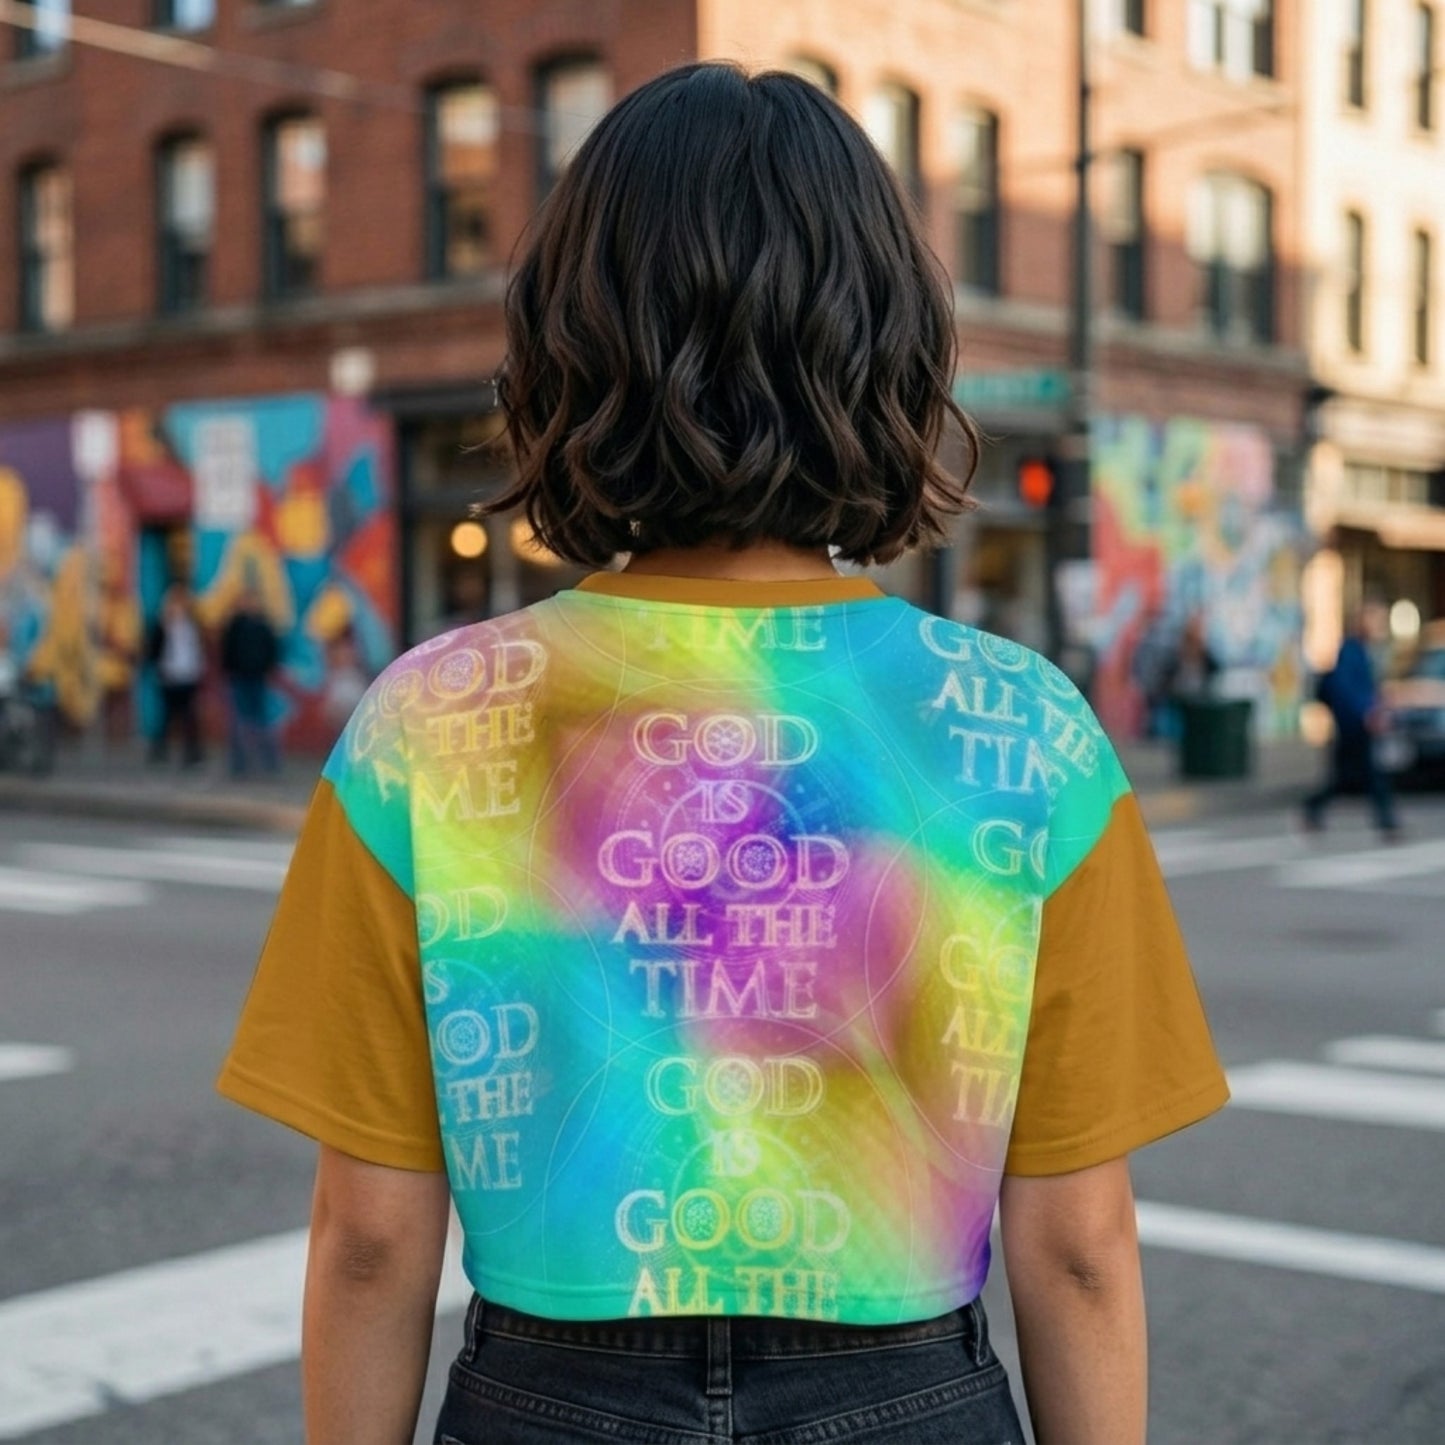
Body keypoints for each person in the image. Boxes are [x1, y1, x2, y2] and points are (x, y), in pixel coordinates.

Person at [218, 65, 1228, 1445]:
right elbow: (1077, 1244)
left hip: (544, 1396)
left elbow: (372, 1240)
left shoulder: (429, 722)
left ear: (570, 349)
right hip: (909, 1394)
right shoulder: (1024, 727)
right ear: (889, 352)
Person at [1304, 608, 1400, 839]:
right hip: (1352, 725)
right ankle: (1385, 820)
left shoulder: (1365, 652)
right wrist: (1366, 712)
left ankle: (1315, 808)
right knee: (1365, 774)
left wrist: (1379, 707)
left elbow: (1366, 688)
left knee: (1352, 776)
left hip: (1358, 724)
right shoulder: (1350, 651)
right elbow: (1346, 689)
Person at [220, 584, 281, 777]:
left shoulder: (263, 626)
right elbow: (227, 650)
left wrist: (266, 667)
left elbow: (272, 649)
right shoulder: (235, 626)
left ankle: (269, 762)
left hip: (258, 677)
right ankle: (239, 763)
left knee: (262, 720)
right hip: (239, 677)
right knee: (238, 722)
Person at [146, 582, 205, 767]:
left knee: (189, 717)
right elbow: (153, 650)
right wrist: (159, 669)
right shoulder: (163, 626)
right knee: (166, 716)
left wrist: (198, 668)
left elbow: (196, 649)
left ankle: (192, 754)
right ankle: (159, 751)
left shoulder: (191, 625)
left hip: (188, 676)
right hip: (169, 676)